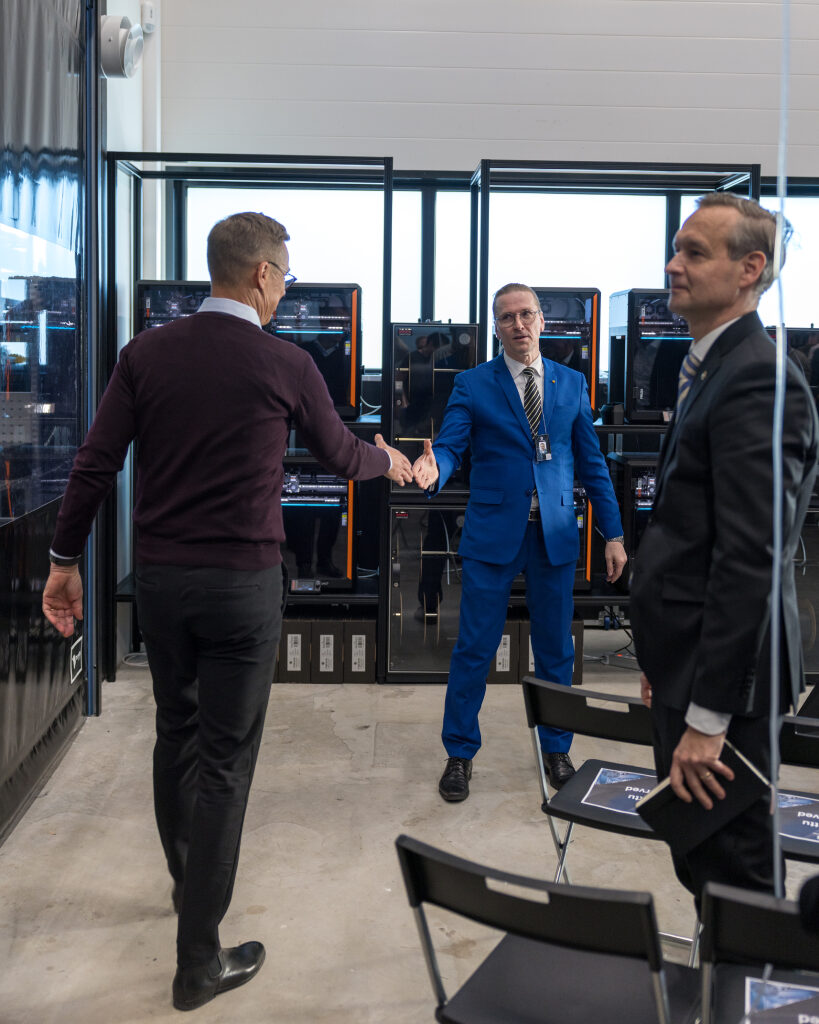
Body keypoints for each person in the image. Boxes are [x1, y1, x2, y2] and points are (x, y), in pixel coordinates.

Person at [41, 212, 412, 1011]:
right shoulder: (285, 361)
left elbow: (96, 462)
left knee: (175, 732)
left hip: (163, 583)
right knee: (224, 764)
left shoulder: (145, 353)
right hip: (242, 586)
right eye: (284, 276)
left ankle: (190, 891)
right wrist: (390, 461)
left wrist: (63, 562)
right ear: (262, 275)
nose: (285, 291)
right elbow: (340, 455)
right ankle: (198, 960)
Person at [630, 193, 819, 906]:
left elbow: (749, 561)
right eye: (675, 249)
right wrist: (662, 660)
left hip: (726, 692)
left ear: (749, 269)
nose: (672, 266)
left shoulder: (758, 378)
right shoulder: (710, 366)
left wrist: (708, 719)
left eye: (694, 253)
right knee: (701, 866)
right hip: (689, 666)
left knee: (736, 885)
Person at [412, 283, 627, 801]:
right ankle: (459, 754)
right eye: (507, 317)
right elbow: (451, 445)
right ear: (496, 327)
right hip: (492, 533)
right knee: (474, 648)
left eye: (526, 314)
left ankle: (557, 748)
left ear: (541, 320)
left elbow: (592, 463)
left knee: (556, 650)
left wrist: (614, 533)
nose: (518, 324)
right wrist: (434, 468)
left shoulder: (572, 383)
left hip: (554, 534)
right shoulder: (472, 384)